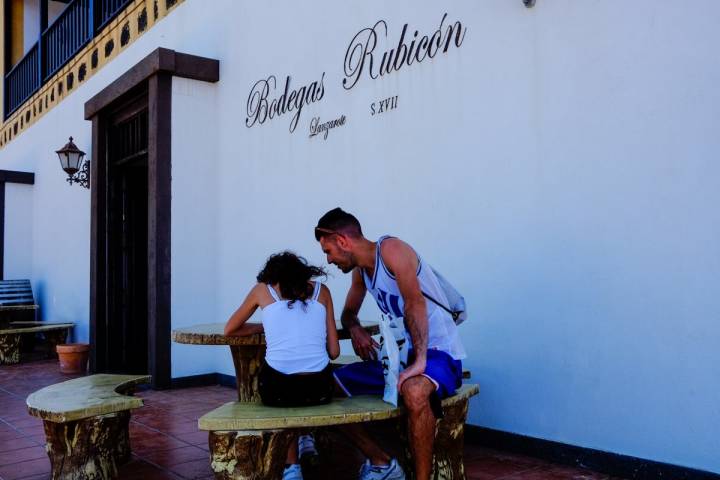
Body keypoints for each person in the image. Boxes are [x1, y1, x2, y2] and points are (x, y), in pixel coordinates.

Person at [314, 208, 466, 480]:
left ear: (343, 241)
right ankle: (381, 462)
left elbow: (414, 302)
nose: (328, 259)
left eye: (328, 251)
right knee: (326, 386)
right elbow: (349, 313)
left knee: (415, 390)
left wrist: (419, 361)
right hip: (401, 356)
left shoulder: (392, 250)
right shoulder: (361, 272)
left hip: (439, 353)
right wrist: (356, 328)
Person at [224, 251, 340, 480]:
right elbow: (334, 352)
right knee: (307, 381)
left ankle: (292, 466)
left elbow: (230, 329)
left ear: (271, 276)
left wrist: (263, 325)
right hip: (320, 390)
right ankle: (306, 439)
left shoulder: (261, 291)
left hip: (278, 392)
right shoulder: (322, 292)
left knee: (282, 381)